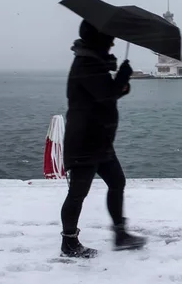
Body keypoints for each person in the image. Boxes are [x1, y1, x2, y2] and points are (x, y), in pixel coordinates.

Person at [60, 20, 147, 258]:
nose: (113, 42)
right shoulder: (87, 64)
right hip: (85, 141)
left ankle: (120, 234)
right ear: (98, 39)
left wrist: (121, 80)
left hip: (99, 139)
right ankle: (69, 242)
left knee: (117, 182)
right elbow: (106, 94)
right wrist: (123, 77)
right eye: (109, 38)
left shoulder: (94, 63)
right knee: (78, 193)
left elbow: (109, 93)